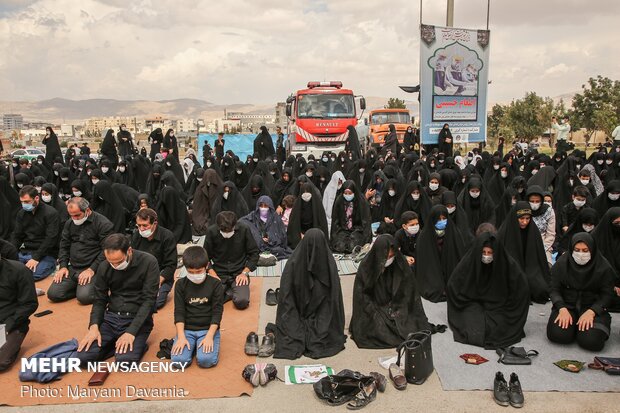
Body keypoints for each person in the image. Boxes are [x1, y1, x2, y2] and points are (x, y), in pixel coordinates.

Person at [76, 234, 159, 366]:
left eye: (119, 261)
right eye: (111, 262)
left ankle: (136, 345)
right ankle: (115, 346)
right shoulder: (104, 267)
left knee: (124, 362)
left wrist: (131, 332)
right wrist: (94, 327)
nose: (115, 266)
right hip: (111, 319)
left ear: (129, 251)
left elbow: (149, 300)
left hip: (136, 319)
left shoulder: (149, 262)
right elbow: (99, 300)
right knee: (82, 358)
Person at [268, 229, 345, 359]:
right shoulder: (293, 265)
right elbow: (287, 300)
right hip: (297, 311)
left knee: (321, 335)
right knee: (293, 333)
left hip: (322, 312)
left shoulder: (328, 265)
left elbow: (333, 299)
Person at [447, 231, 530, 349]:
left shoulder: (507, 264)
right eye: (483, 252)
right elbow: (453, 284)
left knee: (497, 328)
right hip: (473, 303)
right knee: (472, 326)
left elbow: (522, 289)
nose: (486, 256)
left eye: (490, 253)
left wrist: (510, 308)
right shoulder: (470, 261)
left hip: (501, 306)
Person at [350, 234, 433, 349]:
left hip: (395, 305)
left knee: (409, 325)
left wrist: (396, 307)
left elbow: (408, 292)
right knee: (378, 331)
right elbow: (362, 297)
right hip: (374, 306)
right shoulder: (367, 266)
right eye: (386, 257)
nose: (389, 260)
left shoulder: (399, 263)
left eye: (392, 256)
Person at [547, 233, 614, 351]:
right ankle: (574, 327)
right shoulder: (562, 263)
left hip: (592, 308)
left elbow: (607, 294)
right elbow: (554, 289)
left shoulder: (603, 267)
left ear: (592, 249)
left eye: (585, 250)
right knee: (558, 335)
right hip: (567, 306)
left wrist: (593, 311)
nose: (581, 254)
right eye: (577, 250)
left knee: (591, 341)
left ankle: (583, 329)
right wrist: (561, 308)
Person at [48, 198, 114, 305]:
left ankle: (86, 288)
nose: (74, 218)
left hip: (93, 268)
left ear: (87, 210)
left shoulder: (103, 224)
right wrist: (63, 266)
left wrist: (92, 269)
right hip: (73, 268)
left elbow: (106, 250)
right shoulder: (70, 223)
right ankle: (79, 287)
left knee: (84, 298)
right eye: (71, 215)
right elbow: (64, 245)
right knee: (53, 294)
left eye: (77, 215)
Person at [171, 246, 224, 368]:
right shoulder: (180, 284)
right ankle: (192, 345)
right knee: (179, 361)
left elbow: (217, 313)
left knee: (206, 361)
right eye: (191, 272)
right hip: (187, 329)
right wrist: (181, 336)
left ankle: (198, 346)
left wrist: (210, 336)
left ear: (206, 266)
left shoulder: (216, 284)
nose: (195, 275)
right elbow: (179, 311)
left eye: (199, 271)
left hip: (208, 329)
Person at [204, 211, 259, 310]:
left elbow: (254, 253)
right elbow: (205, 257)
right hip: (219, 273)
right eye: (223, 231)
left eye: (229, 231)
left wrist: (245, 273)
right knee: (209, 301)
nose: (226, 233)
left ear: (235, 225)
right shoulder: (211, 231)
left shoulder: (244, 229)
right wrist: (212, 273)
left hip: (239, 273)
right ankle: (230, 292)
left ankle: (229, 292)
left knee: (242, 302)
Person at [497, 201, 550, 304]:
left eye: (528, 218)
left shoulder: (533, 232)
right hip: (511, 270)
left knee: (541, 290)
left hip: (530, 269)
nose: (525, 222)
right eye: (521, 219)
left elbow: (538, 259)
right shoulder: (505, 232)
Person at [415, 204, 467, 302]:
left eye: (444, 218)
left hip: (450, 271)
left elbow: (459, 257)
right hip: (433, 274)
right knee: (435, 289)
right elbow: (425, 265)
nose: (442, 221)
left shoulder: (454, 234)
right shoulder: (424, 237)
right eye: (438, 219)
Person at [131, 208, 178, 310]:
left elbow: (171, 265)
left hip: (161, 276)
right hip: (142, 276)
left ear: (154, 223)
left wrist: (157, 282)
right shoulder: (136, 236)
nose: (141, 229)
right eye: (139, 225)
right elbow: (133, 260)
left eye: (145, 225)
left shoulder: (167, 236)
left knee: (155, 303)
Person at [11, 185, 60, 281]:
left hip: (46, 253)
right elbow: (17, 235)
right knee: (9, 269)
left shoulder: (50, 213)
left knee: (33, 275)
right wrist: (11, 253)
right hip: (26, 251)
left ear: (36, 198)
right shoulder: (22, 213)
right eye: (22, 202)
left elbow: (51, 238)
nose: (23, 205)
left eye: (27, 202)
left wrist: (36, 258)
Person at [0, 253, 38, 371]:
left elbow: (30, 304)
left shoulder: (20, 270)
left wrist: (6, 327)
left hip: (12, 323)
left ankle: (13, 345)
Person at [240, 195, 292, 260]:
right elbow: (241, 221)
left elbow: (282, 236)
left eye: (266, 206)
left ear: (269, 206)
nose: (263, 208)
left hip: (273, 246)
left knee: (279, 251)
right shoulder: (253, 215)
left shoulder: (275, 217)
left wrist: (270, 238)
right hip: (258, 245)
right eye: (261, 206)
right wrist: (258, 236)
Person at [330, 180, 372, 253]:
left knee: (353, 246)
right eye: (345, 193)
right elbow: (335, 221)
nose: (347, 195)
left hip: (357, 229)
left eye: (350, 193)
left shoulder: (361, 201)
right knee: (340, 246)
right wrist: (335, 235)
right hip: (343, 229)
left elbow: (365, 221)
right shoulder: (339, 201)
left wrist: (366, 238)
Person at [287, 183, 329, 248]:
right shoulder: (297, 205)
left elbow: (321, 223)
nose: (306, 195)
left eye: (308, 192)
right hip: (301, 234)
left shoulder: (317, 205)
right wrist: (300, 234)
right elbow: (293, 224)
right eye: (304, 192)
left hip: (314, 233)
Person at [527, 185, 556, 265]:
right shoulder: (524, 209)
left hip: (543, 243)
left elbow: (550, 234)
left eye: (537, 201)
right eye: (532, 201)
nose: (535, 204)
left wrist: (541, 248)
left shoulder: (549, 211)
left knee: (546, 265)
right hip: (525, 242)